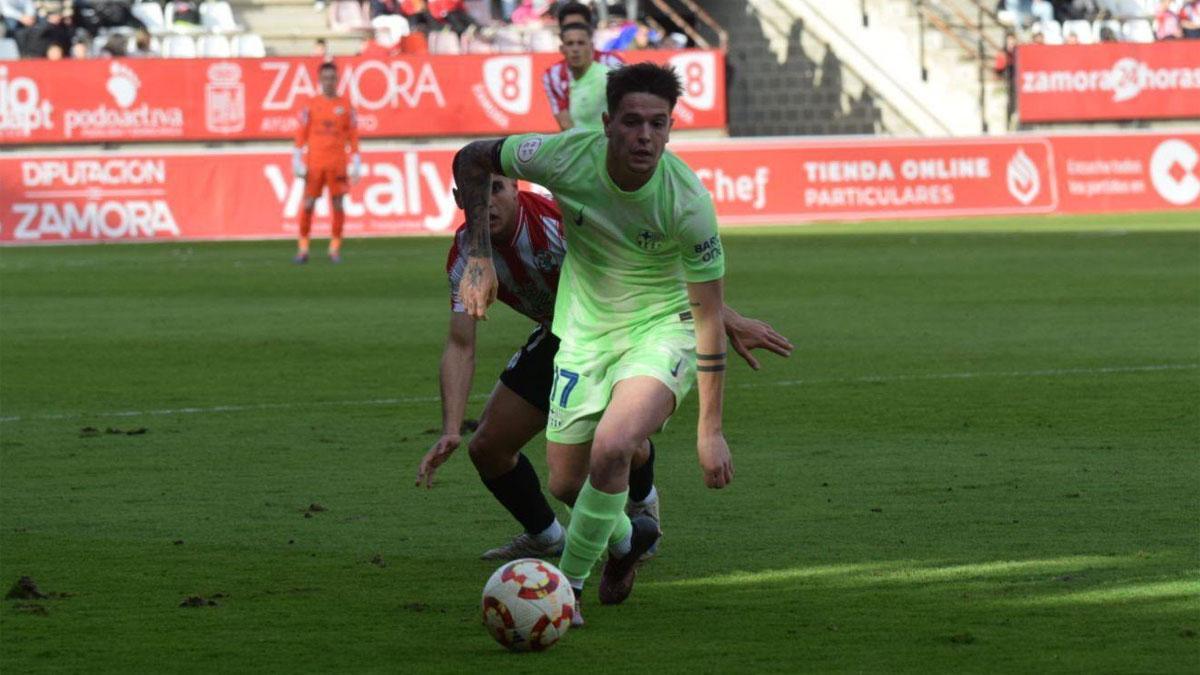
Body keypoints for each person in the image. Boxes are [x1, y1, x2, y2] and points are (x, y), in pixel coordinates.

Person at [452, 63, 740, 625]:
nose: (645, 136)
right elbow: (471, 157)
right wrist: (480, 255)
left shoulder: (688, 203)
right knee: (566, 480)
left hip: (662, 329)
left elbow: (707, 316)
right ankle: (629, 538)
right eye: (632, 122)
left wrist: (711, 431)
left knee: (614, 445)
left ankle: (568, 592)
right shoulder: (564, 157)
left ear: (671, 128)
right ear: (607, 124)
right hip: (582, 335)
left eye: (659, 124)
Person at [416, 175, 792, 563]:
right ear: (459, 199)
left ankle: (642, 501)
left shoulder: (556, 219)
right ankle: (546, 536)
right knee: (488, 448)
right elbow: (461, 344)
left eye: (496, 188)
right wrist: (450, 429)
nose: (486, 202)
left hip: (630, 325)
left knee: (613, 439)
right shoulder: (465, 256)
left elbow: (646, 266)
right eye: (475, 192)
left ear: (516, 188)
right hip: (562, 335)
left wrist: (726, 317)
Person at [292, 61, 362, 264]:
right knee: (308, 204)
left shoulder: (346, 105)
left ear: (337, 79)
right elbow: (300, 134)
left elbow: (353, 136)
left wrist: (356, 162)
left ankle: (334, 249)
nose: (329, 82)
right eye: (326, 78)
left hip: (337, 163)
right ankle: (303, 248)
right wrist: (296, 160)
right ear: (320, 80)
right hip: (314, 163)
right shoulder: (310, 105)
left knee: (338, 205)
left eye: (332, 78)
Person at [542, 2, 623, 131]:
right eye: (569, 27)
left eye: (579, 26)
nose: (575, 31)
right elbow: (565, 123)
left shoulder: (612, 63)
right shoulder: (553, 75)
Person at [556, 22, 609, 130]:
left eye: (581, 43)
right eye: (570, 44)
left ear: (592, 47)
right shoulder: (558, 79)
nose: (575, 49)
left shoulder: (606, 78)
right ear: (562, 49)